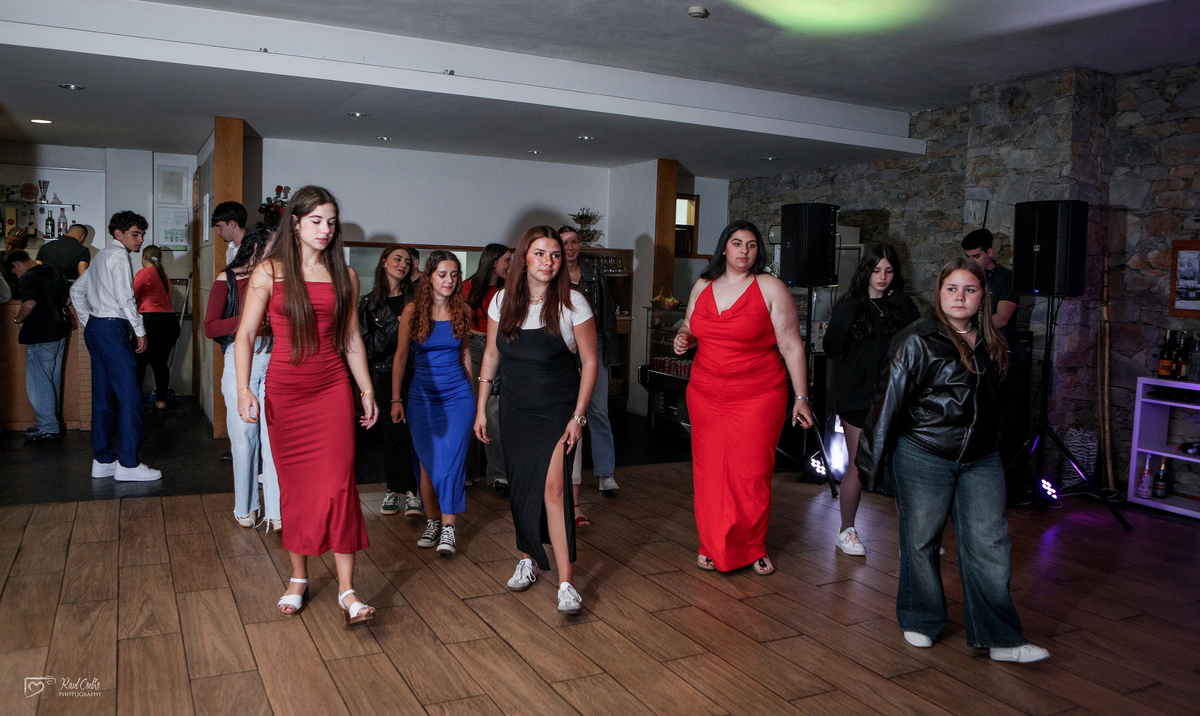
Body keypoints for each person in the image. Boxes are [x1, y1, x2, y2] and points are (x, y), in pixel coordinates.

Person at [856, 258, 1050, 663]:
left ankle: (1000, 638)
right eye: (952, 289)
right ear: (940, 293)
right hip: (924, 452)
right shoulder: (917, 340)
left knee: (990, 544)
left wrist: (996, 447)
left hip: (981, 458)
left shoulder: (994, 342)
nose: (960, 297)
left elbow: (995, 405)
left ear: (982, 297)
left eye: (970, 290)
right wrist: (870, 466)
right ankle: (921, 619)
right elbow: (887, 403)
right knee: (921, 540)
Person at [235, 186, 378, 625]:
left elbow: (350, 338)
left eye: (331, 222)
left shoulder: (345, 276)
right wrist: (243, 389)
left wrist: (366, 390)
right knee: (295, 489)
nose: (325, 229)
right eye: (316, 220)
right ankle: (298, 578)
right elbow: (245, 334)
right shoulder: (270, 271)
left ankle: (347, 590)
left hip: (331, 388)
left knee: (339, 484)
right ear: (295, 223)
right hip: (286, 391)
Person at [673, 220, 814, 576]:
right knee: (710, 472)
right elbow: (689, 324)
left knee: (751, 473)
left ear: (758, 251)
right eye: (737, 243)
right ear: (724, 248)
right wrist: (684, 337)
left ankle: (752, 547)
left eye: (751, 245)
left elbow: (791, 344)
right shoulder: (703, 284)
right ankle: (711, 545)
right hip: (706, 393)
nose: (744, 251)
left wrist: (801, 396)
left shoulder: (769, 287)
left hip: (758, 393)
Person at [474, 226, 599, 615]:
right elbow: (491, 356)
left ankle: (566, 582)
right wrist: (481, 408)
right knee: (522, 488)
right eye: (540, 253)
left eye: (555, 255)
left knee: (554, 490)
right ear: (523, 258)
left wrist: (578, 416)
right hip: (514, 408)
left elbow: (590, 362)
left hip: (557, 409)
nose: (548, 262)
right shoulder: (502, 301)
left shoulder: (573, 303)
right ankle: (528, 558)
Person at [823, 243, 919, 556]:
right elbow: (831, 348)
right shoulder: (851, 306)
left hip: (894, 395)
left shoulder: (898, 305)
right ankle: (846, 531)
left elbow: (919, 342)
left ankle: (915, 536)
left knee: (904, 465)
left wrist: (907, 307)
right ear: (866, 271)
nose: (882, 277)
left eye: (889, 271)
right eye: (877, 270)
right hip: (856, 396)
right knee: (858, 465)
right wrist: (847, 314)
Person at [392, 251, 475, 555]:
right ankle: (433, 521)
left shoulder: (463, 310)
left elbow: (465, 354)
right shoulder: (413, 310)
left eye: (454, 275)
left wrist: (474, 397)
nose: (449, 281)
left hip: (458, 396)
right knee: (427, 464)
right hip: (423, 397)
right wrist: (396, 398)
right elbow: (401, 355)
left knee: (452, 461)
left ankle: (449, 527)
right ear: (429, 277)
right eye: (443, 275)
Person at [70, 211, 161, 482]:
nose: (140, 239)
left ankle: (103, 460)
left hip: (97, 328)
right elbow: (125, 297)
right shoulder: (119, 255)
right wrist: (140, 330)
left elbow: (76, 291)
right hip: (111, 328)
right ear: (118, 234)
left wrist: (89, 320)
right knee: (130, 396)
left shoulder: (100, 256)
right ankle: (129, 465)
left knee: (103, 397)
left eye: (142, 234)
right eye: (135, 234)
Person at [204, 223, 280, 530]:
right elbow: (211, 327)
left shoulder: (280, 278)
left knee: (273, 440)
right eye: (273, 246)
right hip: (240, 359)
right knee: (244, 439)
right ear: (256, 247)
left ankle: (276, 510)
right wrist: (250, 318)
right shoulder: (228, 278)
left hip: (276, 358)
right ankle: (245, 507)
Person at [560, 226, 620, 522]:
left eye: (574, 242)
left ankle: (605, 472)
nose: (570, 248)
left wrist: (608, 355)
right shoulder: (553, 273)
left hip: (593, 343)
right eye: (565, 243)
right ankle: (567, 482)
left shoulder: (593, 273)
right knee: (570, 413)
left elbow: (607, 316)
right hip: (563, 346)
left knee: (598, 410)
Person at [360, 245, 421, 518]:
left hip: (416, 371)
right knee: (393, 434)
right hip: (384, 373)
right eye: (397, 259)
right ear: (383, 262)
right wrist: (399, 324)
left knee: (413, 434)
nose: (403, 264)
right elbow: (370, 347)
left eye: (407, 261)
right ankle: (397, 489)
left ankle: (411, 491)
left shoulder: (417, 299)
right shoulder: (368, 303)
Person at [462, 243, 511, 491]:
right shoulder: (467, 287)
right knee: (471, 408)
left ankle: (498, 475)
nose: (510, 265)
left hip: (497, 347)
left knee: (492, 411)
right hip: (472, 345)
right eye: (507, 260)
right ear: (493, 262)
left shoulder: (508, 289)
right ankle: (469, 472)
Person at [8, 250, 71, 441]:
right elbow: (69, 298)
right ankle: (50, 421)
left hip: (39, 334)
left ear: (17, 264)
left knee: (39, 382)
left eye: (14, 272)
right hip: (59, 331)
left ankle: (48, 425)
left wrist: (18, 320)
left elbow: (29, 304)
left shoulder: (28, 278)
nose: (16, 276)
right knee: (52, 379)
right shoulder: (54, 271)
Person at [133, 246, 180, 410]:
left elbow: (130, 296)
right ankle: (161, 402)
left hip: (151, 321)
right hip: (170, 323)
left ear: (144, 257)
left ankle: (134, 402)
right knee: (160, 363)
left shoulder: (144, 273)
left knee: (139, 363)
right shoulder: (163, 275)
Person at [961, 229, 1017, 333]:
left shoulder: (1007, 278)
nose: (971, 261)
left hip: (997, 339)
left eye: (976, 256)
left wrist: (971, 332)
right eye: (968, 257)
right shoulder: (966, 277)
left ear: (990, 252)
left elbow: (1001, 319)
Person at [212, 201, 248, 265]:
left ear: (232, 224)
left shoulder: (255, 247)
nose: (218, 232)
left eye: (220, 227)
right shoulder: (230, 249)